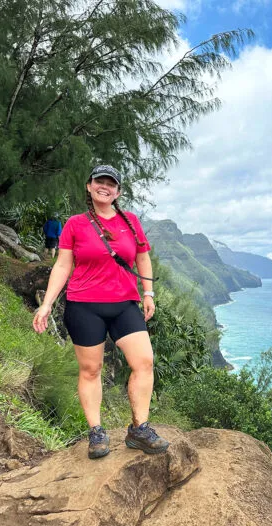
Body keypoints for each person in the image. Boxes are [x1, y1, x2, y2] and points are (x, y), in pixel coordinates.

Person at [32, 165, 168, 459]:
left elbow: (142, 257)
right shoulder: (75, 224)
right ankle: (96, 432)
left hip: (124, 304)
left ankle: (139, 429)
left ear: (117, 191)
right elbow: (63, 265)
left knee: (144, 362)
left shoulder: (130, 222)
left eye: (111, 183)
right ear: (89, 186)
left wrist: (148, 293)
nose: (104, 186)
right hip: (84, 305)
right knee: (91, 370)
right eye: (99, 181)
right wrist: (47, 304)